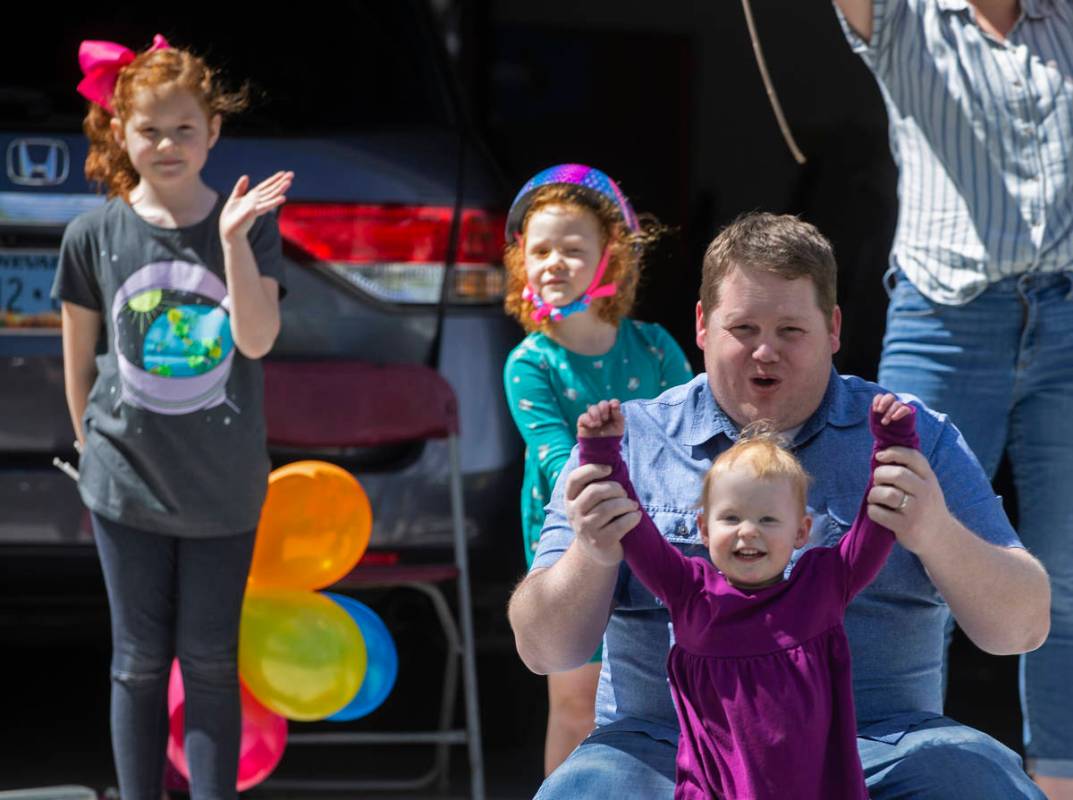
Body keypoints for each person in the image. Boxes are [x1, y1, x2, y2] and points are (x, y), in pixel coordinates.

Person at [508, 211, 1051, 799]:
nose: (766, 351)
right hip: (670, 751)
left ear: (834, 329)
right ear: (702, 326)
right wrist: (591, 552)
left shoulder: (915, 437)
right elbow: (544, 650)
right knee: (588, 789)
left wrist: (937, 532)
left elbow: (1020, 628)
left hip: (881, 747)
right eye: (743, 328)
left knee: (975, 778)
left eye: (791, 330)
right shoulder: (631, 445)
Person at [832, 2, 1073, 795]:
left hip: (1067, 316)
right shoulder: (906, 19)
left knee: (1065, 572)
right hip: (943, 317)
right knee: (896, 556)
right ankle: (888, 775)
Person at [54, 35, 290, 800]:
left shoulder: (248, 225)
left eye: (185, 129)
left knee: (211, 660)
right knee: (138, 661)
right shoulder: (93, 234)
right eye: (149, 128)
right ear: (119, 130)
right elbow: (81, 359)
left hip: (223, 489)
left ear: (213, 133)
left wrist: (229, 245)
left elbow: (255, 339)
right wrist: (96, 454)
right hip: (126, 486)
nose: (167, 144)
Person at [575, 394, 917, 799]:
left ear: (801, 532)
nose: (748, 531)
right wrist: (601, 452)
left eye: (768, 519)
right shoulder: (690, 592)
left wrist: (893, 444)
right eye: (731, 517)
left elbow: (877, 522)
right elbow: (629, 524)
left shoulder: (821, 587)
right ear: (703, 529)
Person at [502, 164, 693, 775]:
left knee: (672, 694)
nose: (553, 262)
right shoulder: (529, 363)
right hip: (571, 543)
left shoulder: (658, 345)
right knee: (575, 702)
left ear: (609, 259)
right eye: (540, 250)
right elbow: (562, 463)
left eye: (573, 249)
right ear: (520, 263)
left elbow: (692, 439)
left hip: (666, 537)